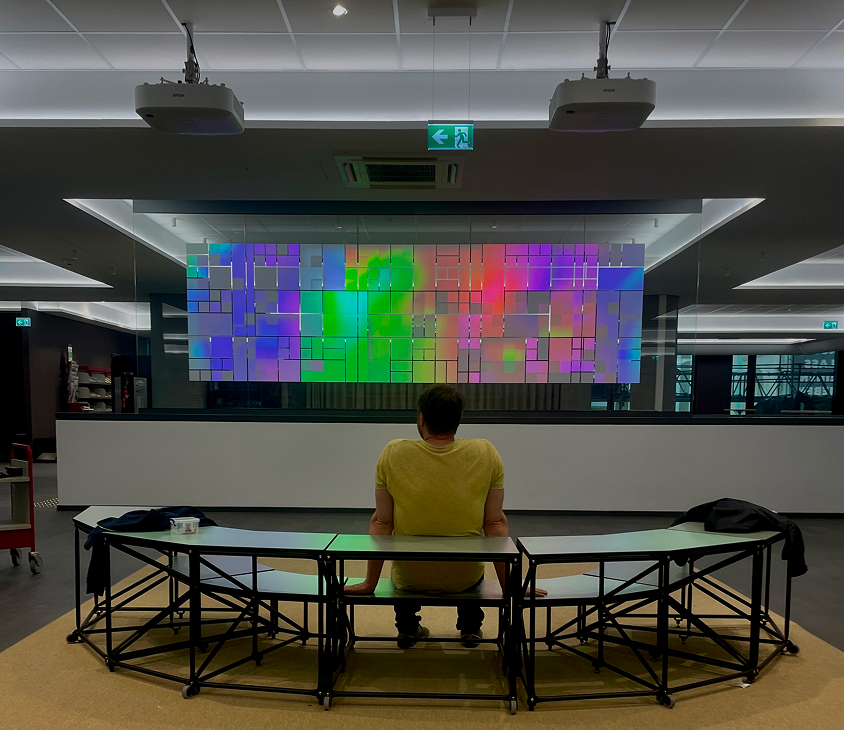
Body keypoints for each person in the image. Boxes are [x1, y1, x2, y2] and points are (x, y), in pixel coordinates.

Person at [344, 383, 545, 649]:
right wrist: (509, 585)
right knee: (470, 568)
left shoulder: (393, 452)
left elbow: (382, 522)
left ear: (421, 418)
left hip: (410, 578)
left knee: (404, 569)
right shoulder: (485, 452)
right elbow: (494, 524)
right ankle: (470, 627)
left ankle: (407, 627)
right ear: (458, 420)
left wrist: (370, 583)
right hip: (464, 578)